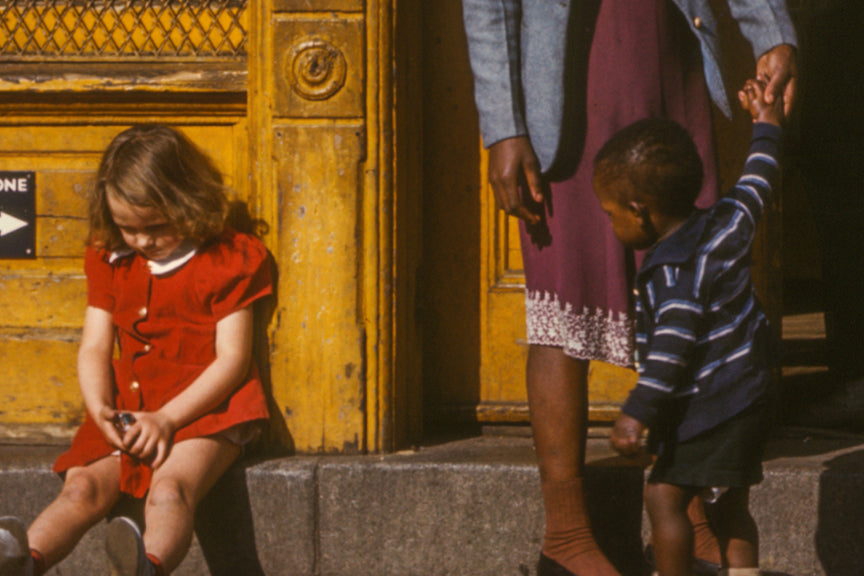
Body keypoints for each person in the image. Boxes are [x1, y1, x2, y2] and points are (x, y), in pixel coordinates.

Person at [461, 1, 796, 575]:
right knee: (563, 307)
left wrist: (772, 32)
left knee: (694, 287)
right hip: (565, 94)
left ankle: (690, 513)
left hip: (671, 59)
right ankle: (565, 539)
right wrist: (504, 125)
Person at [0, 125, 273, 576]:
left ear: (186, 201)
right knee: (82, 488)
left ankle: (147, 566)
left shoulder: (226, 259)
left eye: (156, 228)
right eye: (128, 228)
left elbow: (233, 359)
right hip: (128, 407)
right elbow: (94, 346)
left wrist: (168, 419)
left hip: (205, 411)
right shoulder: (111, 257)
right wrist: (100, 407)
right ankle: (24, 561)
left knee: (170, 491)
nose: (142, 240)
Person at [602, 78, 784, 576]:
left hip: (707, 406)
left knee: (664, 499)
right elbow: (758, 179)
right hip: (750, 397)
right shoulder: (727, 223)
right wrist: (767, 123)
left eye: (611, 215)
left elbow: (670, 350)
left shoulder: (673, 270)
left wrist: (637, 413)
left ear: (641, 212)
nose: (611, 225)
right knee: (731, 507)